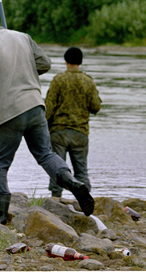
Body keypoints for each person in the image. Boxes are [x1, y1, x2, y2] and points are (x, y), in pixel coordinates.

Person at [0, 5, 95, 223]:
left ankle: (2, 215)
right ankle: (73, 183)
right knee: (46, 155)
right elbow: (45, 63)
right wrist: (24, 71)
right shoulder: (23, 37)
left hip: (7, 113)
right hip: (35, 107)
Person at [45, 47, 102, 198]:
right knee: (81, 171)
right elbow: (96, 107)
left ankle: (55, 201)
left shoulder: (58, 80)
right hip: (80, 133)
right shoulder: (88, 81)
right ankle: (85, 204)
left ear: (66, 61)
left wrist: (44, 127)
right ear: (80, 62)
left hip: (58, 133)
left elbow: (49, 108)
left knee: (57, 169)